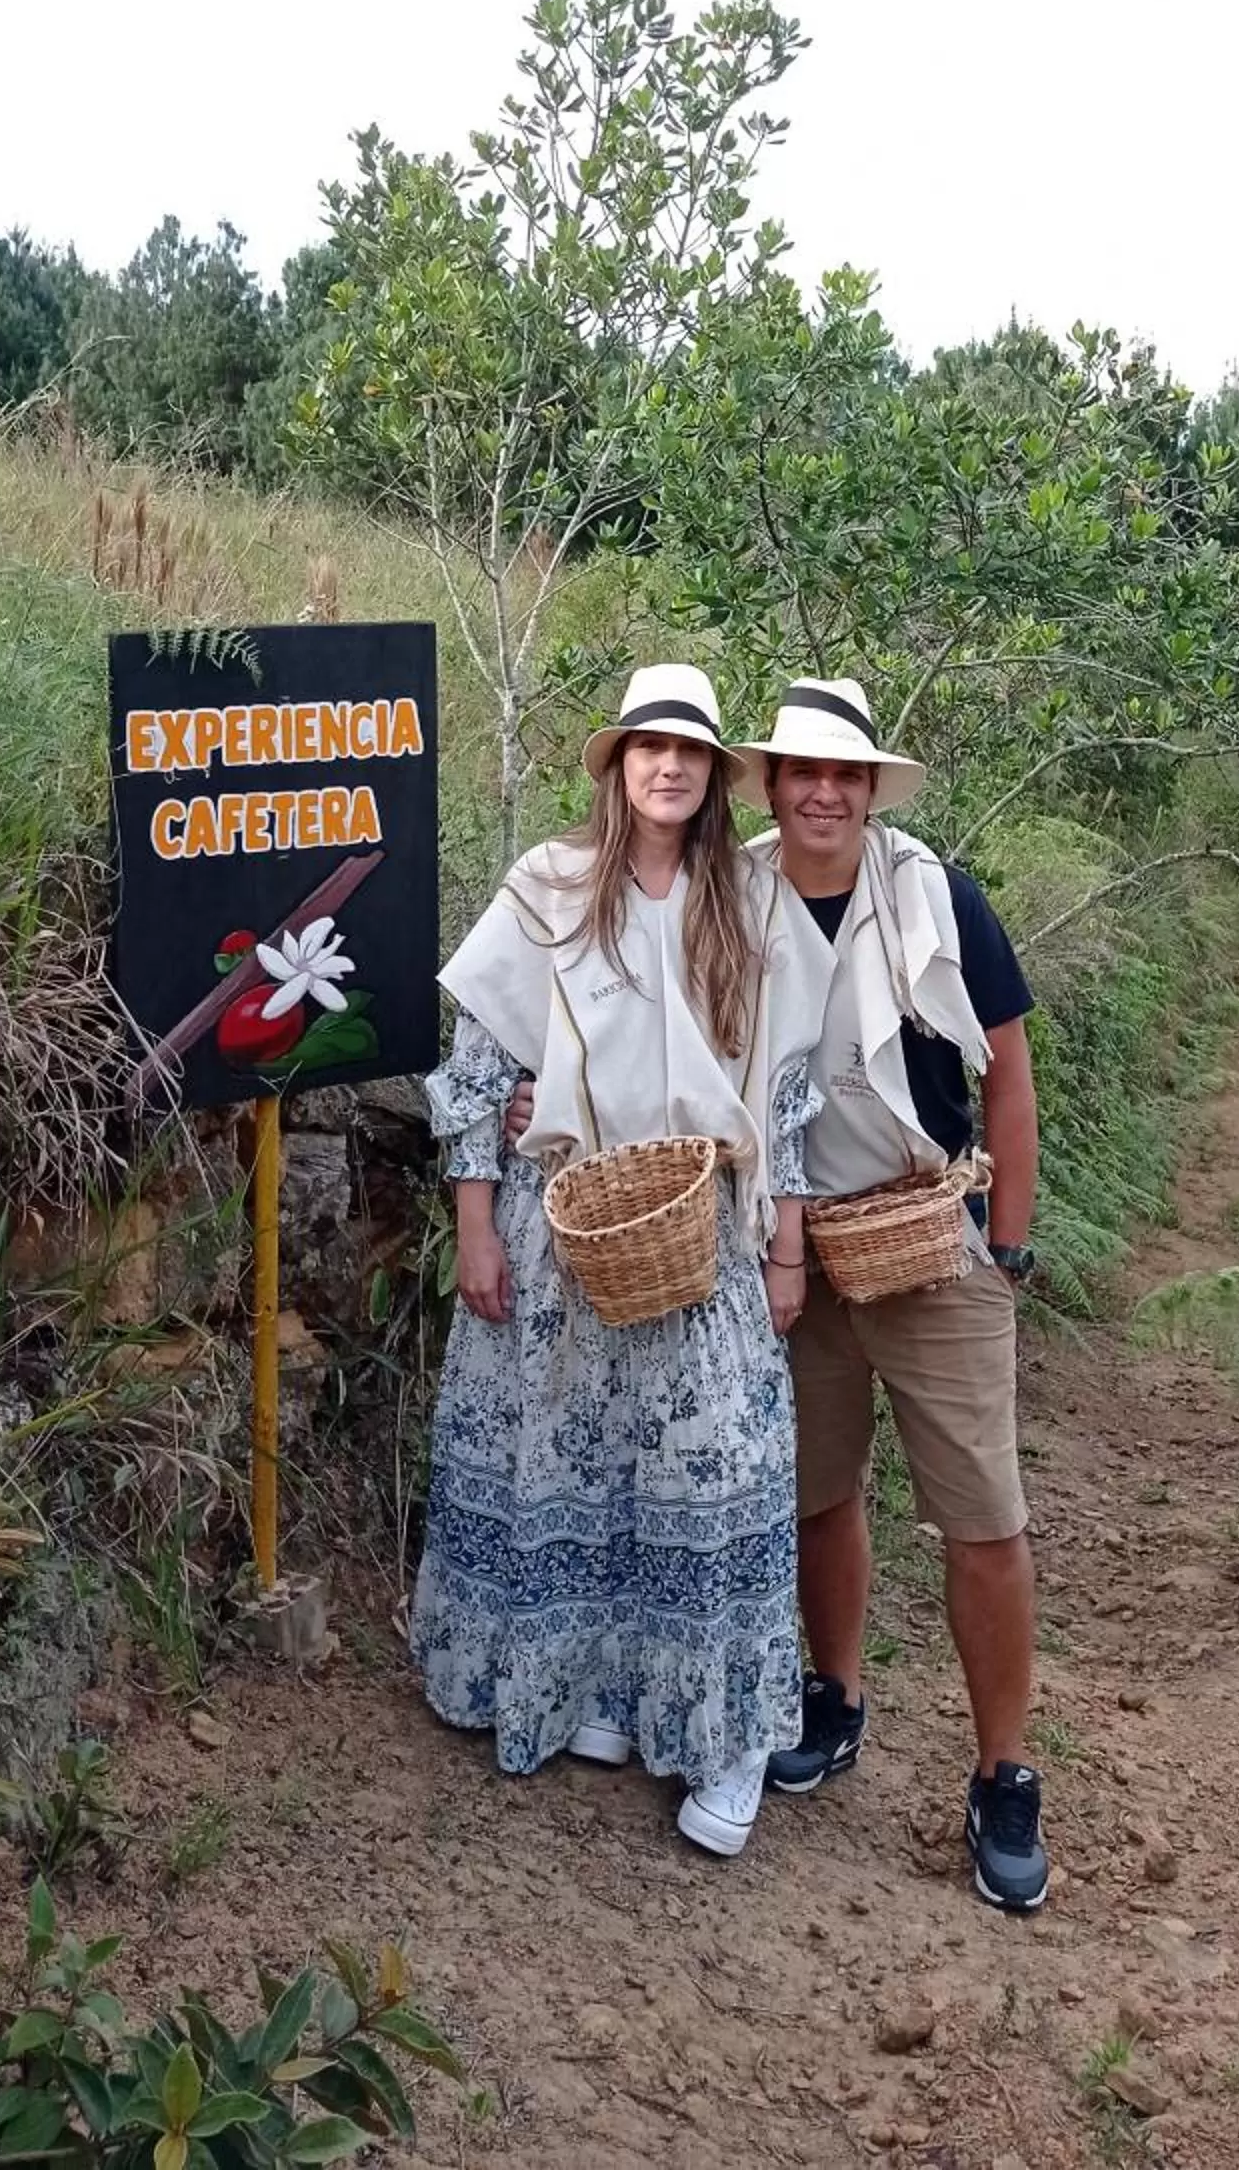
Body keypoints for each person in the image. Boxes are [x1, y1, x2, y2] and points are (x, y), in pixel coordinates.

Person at [410, 665, 829, 1859]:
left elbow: (785, 1095)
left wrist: (788, 1251)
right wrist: (475, 1226)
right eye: (648, 745)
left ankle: (730, 1737)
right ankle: (594, 1686)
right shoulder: (548, 891)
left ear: (712, 778)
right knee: (575, 1458)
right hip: (564, 1221)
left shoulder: (746, 909)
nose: (668, 764)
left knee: (717, 1468)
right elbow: (480, 1069)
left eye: (689, 750)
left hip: (703, 1222)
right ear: (616, 764)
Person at [735, 677, 1051, 1914]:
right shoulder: (739, 898)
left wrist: (1005, 1246)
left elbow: (1010, 1074)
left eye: (845, 775)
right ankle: (836, 1693)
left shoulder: (936, 899)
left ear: (869, 790)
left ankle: (1004, 1771)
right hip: (790, 1251)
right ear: (771, 784)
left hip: (932, 1247)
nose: (822, 791)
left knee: (983, 1518)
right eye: (802, 772)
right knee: (818, 1493)